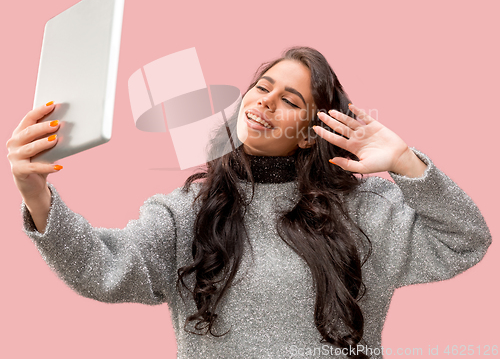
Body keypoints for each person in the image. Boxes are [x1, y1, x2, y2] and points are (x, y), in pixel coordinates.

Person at [7, 46, 491, 359]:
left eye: (290, 100)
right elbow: (105, 268)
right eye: (262, 89)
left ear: (309, 134)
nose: (264, 102)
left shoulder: (363, 208)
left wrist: (406, 163)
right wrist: (36, 194)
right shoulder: (187, 211)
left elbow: (465, 240)